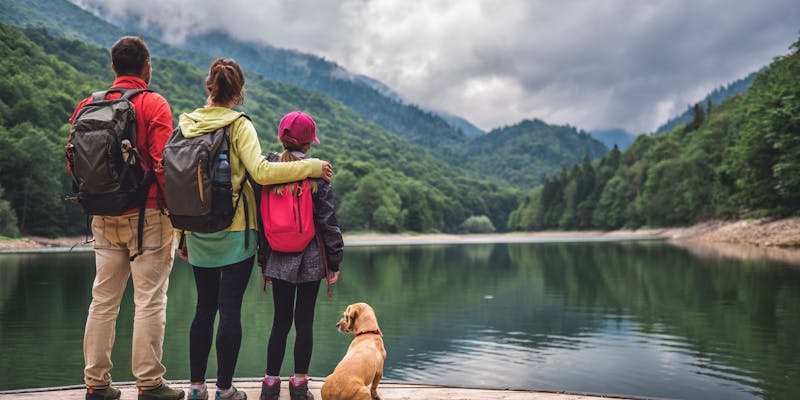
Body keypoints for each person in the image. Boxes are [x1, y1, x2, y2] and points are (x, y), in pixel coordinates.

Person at [181, 59, 333, 400]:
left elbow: (182, 182)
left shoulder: (188, 124)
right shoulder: (239, 125)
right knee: (230, 309)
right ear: (239, 92)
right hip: (235, 233)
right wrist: (312, 166)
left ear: (209, 86)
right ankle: (223, 390)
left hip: (196, 231)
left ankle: (194, 389)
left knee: (204, 308)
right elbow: (262, 173)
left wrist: (181, 234)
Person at [70, 36, 184, 400]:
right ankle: (149, 384)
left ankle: (96, 383)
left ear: (114, 67)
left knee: (103, 299)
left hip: (102, 214)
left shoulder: (87, 106)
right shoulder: (154, 103)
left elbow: (73, 161)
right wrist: (175, 211)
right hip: (148, 214)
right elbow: (163, 164)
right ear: (146, 67)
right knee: (149, 299)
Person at [259, 112, 344, 400]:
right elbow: (328, 223)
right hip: (310, 259)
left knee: (280, 322)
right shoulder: (318, 176)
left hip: (279, 258)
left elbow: (262, 224)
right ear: (309, 144)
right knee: (304, 322)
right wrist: (334, 261)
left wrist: (264, 265)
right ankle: (298, 386)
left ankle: (270, 386)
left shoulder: (268, 173)